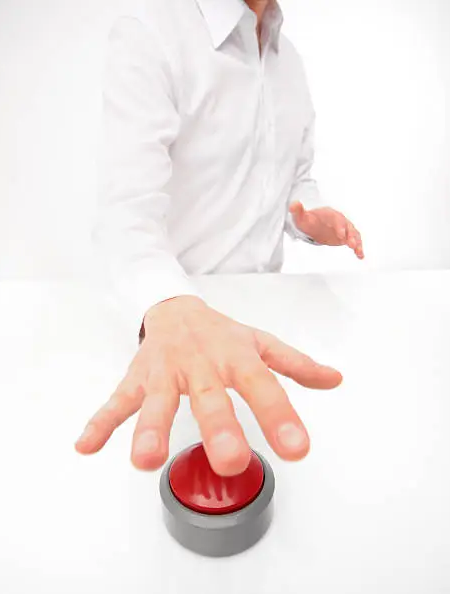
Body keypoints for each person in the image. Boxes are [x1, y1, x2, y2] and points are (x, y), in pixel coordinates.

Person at [75, 0, 364, 476]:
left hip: (264, 330)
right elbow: (124, 215)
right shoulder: (151, 31)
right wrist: (168, 304)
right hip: (168, 328)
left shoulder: (288, 59)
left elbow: (294, 179)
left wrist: (308, 216)